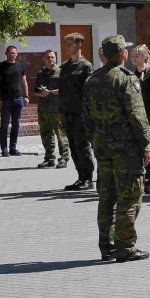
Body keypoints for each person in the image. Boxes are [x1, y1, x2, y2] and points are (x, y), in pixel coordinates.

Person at [83, 35, 150, 262]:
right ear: (122, 54)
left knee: (106, 198)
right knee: (129, 198)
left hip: (103, 147)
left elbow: (86, 117)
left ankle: (107, 247)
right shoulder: (126, 79)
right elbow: (137, 115)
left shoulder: (92, 80)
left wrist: (95, 139)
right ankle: (125, 247)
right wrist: (146, 145)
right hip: (125, 149)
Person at [58, 33, 95, 192]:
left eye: (71, 44)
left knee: (82, 145)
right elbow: (62, 90)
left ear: (80, 45)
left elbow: (89, 92)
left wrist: (89, 114)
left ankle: (88, 178)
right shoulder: (65, 67)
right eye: (67, 44)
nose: (67, 47)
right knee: (72, 145)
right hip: (67, 112)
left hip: (81, 113)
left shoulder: (86, 66)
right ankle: (80, 176)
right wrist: (60, 110)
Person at [128, 45, 150, 194]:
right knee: (139, 150)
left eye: (138, 55)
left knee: (147, 149)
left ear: (146, 57)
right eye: (132, 56)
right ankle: (144, 178)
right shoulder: (133, 75)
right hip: (136, 118)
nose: (134, 58)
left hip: (147, 118)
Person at [31, 49, 67, 169]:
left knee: (60, 134)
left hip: (57, 108)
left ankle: (63, 158)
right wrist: (40, 93)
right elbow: (36, 89)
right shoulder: (41, 73)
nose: (51, 59)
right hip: (43, 108)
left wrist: (50, 92)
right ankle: (49, 158)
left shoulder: (61, 72)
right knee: (46, 134)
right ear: (43, 59)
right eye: (48, 57)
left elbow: (65, 90)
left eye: (52, 57)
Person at [0, 45, 28, 157]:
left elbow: (24, 82)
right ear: (6, 53)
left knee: (16, 124)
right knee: (4, 124)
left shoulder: (20, 66)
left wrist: (26, 96)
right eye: (10, 52)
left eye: (14, 53)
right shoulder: (0, 66)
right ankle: (4, 149)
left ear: (17, 54)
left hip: (18, 98)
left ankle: (13, 148)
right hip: (5, 99)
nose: (13, 54)